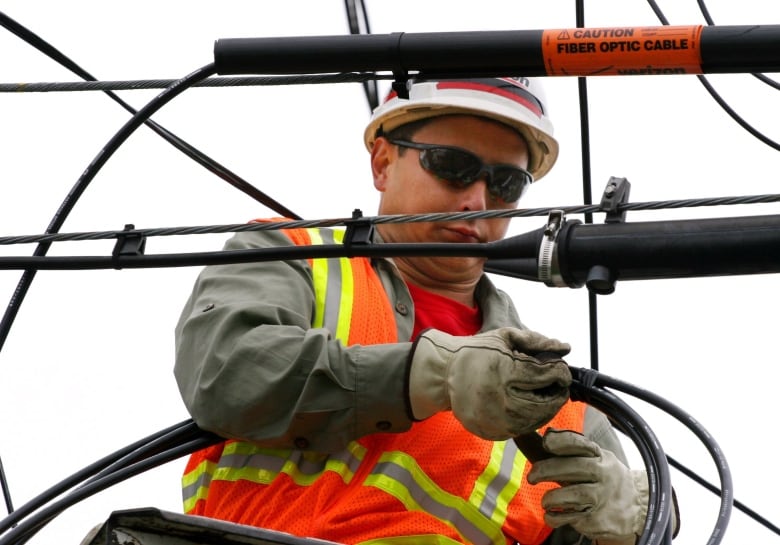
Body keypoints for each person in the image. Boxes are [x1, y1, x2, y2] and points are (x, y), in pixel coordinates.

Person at [174, 76, 676, 545]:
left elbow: (630, 519)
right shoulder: (293, 255)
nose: (476, 200)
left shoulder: (558, 399)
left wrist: (635, 517)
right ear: (383, 162)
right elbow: (225, 372)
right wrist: (432, 372)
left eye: (506, 184)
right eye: (452, 167)